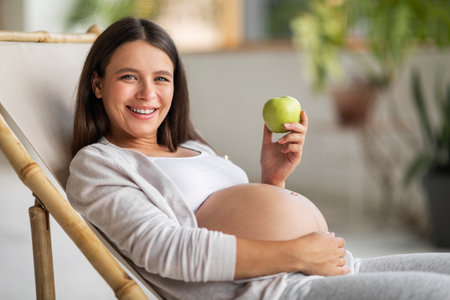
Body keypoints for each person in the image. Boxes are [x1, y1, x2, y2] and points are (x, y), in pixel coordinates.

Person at [66, 17, 450, 300]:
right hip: (280, 289)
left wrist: (273, 181)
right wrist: (297, 252)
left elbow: (236, 219)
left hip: (331, 264)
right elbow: (169, 251)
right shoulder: (99, 164)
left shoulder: (193, 146)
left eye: (161, 78)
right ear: (98, 83)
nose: (148, 93)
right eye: (129, 77)